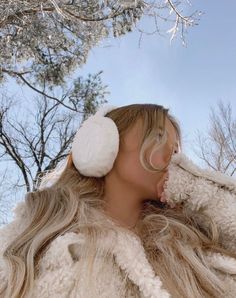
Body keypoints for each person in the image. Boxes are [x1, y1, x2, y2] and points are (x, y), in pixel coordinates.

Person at [0, 103, 235, 298]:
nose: (176, 158)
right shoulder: (32, 235)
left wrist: (198, 189)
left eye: (176, 150)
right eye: (159, 137)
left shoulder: (187, 245)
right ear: (102, 145)